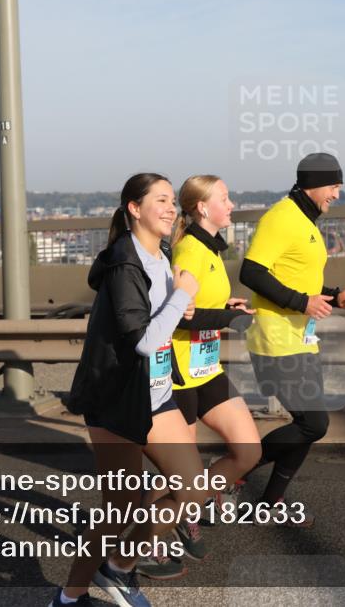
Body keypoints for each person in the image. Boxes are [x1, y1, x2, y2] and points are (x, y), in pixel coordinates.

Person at [58, 173, 208, 607]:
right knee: (117, 511)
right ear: (134, 209)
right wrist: (181, 297)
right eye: (160, 200)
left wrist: (182, 303)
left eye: (172, 202)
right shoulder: (125, 264)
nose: (170, 208)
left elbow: (160, 319)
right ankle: (70, 596)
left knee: (192, 490)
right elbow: (142, 340)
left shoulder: (161, 254)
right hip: (117, 400)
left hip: (156, 393)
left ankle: (120, 567)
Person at [137, 175, 261, 579]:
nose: (232, 202)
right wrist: (230, 317)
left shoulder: (210, 247)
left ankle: (192, 504)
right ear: (204, 208)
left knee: (248, 451)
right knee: (179, 474)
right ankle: (145, 541)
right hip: (180, 373)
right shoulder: (190, 250)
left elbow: (200, 301)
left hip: (207, 367)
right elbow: (182, 313)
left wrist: (226, 304)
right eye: (225, 197)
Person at [239, 152, 345, 523]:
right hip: (275, 339)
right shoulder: (281, 218)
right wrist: (300, 302)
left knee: (308, 427)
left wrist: (334, 296)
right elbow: (252, 272)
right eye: (334, 186)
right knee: (313, 423)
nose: (337, 195)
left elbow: (298, 279)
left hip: (301, 339)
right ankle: (234, 469)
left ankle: (270, 501)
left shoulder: (304, 219)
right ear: (314, 183)